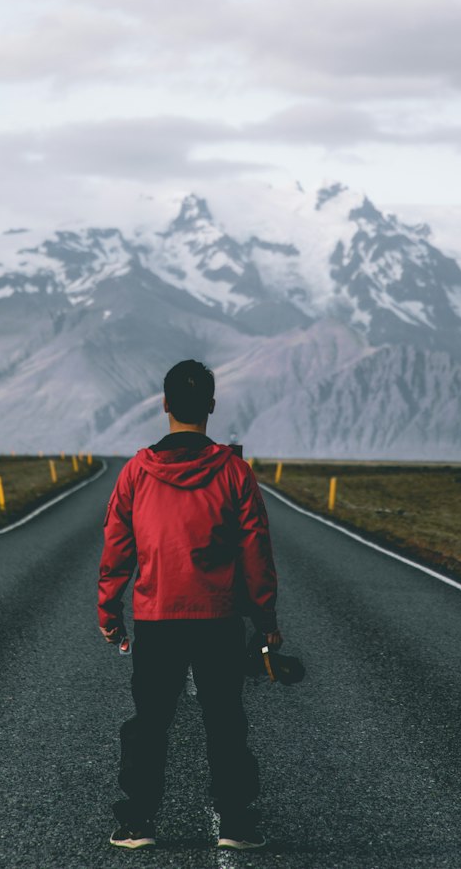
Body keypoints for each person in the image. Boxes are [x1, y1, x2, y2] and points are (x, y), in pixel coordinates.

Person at [98, 359, 282, 852]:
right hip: (218, 617)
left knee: (149, 723)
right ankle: (236, 825)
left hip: (157, 618)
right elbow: (256, 552)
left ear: (165, 405)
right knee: (225, 720)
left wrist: (109, 613)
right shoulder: (235, 472)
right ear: (212, 408)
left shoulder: (137, 471)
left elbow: (117, 547)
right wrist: (266, 620)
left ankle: (137, 823)